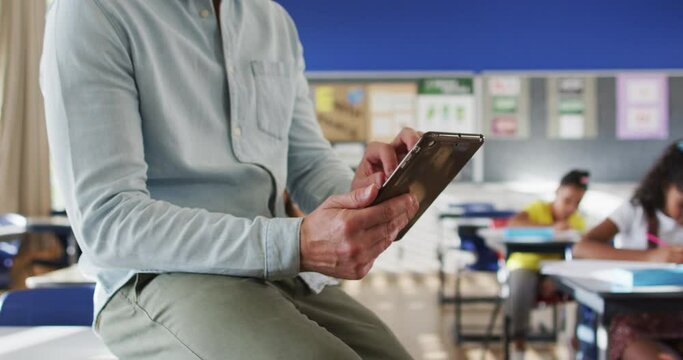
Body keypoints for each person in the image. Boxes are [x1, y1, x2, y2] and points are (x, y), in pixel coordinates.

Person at [40, 1, 421, 358]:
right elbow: (107, 220)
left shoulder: (272, 21)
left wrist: (363, 194)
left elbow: (306, 161)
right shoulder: (93, 12)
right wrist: (294, 244)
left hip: (276, 271)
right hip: (156, 274)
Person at [573, 140, 683, 360]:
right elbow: (582, 248)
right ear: (664, 186)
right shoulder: (636, 211)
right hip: (636, 326)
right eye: (681, 204)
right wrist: (650, 257)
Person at [505, 169, 590, 358]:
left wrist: (556, 277)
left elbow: (578, 254)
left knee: (580, 288)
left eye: (577, 203)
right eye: (567, 200)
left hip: (554, 270)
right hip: (526, 265)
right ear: (557, 192)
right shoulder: (538, 208)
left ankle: (574, 342)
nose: (571, 208)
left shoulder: (577, 221)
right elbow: (514, 225)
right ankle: (519, 344)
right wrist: (551, 228)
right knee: (521, 283)